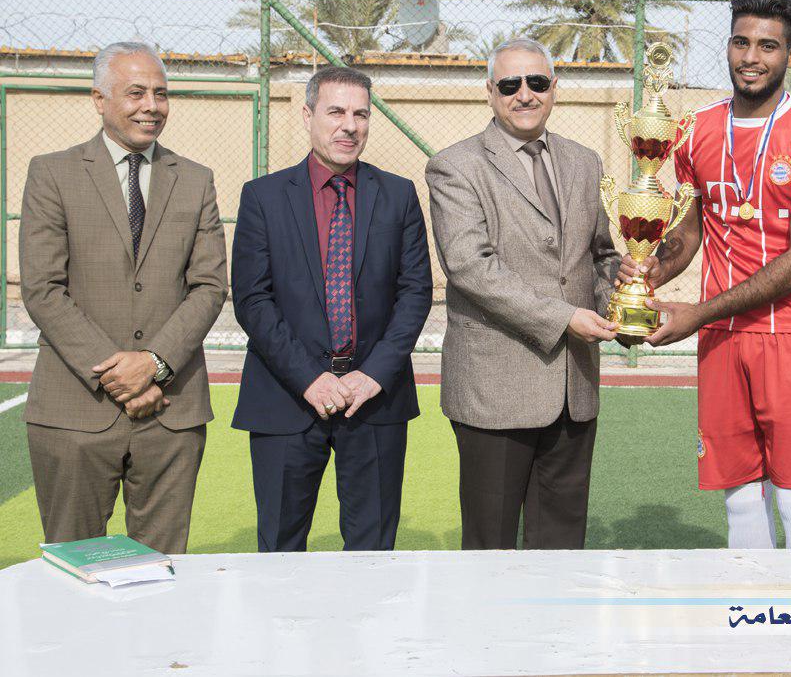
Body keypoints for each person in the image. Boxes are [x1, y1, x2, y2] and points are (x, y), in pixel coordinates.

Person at [620, 0, 791, 548]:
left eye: (768, 46)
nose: (752, 57)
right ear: (727, 46)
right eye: (741, 42)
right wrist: (652, 270)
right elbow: (688, 234)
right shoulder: (694, 131)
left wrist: (698, 312)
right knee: (740, 497)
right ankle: (751, 603)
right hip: (722, 337)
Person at [20, 41, 227, 554]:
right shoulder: (52, 173)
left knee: (163, 570)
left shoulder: (196, 179)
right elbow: (43, 288)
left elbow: (209, 286)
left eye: (160, 93)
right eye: (136, 93)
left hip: (171, 413)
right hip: (75, 411)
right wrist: (122, 376)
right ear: (99, 99)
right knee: (75, 564)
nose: (151, 106)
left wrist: (154, 364)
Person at [426, 38, 620, 550]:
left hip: (574, 388)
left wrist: (623, 302)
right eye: (510, 84)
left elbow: (600, 255)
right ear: (490, 92)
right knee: (490, 546)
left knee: (562, 545)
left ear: (554, 87)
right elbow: (471, 267)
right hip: (496, 391)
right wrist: (565, 318)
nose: (524, 94)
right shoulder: (455, 166)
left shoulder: (585, 162)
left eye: (536, 82)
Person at [231, 65, 431, 552]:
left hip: (374, 401)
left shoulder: (399, 195)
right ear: (308, 115)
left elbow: (415, 292)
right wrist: (310, 378)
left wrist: (373, 374)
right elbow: (253, 299)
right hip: (286, 397)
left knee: (372, 549)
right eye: (336, 112)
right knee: (280, 549)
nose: (350, 126)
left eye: (361, 114)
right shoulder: (263, 197)